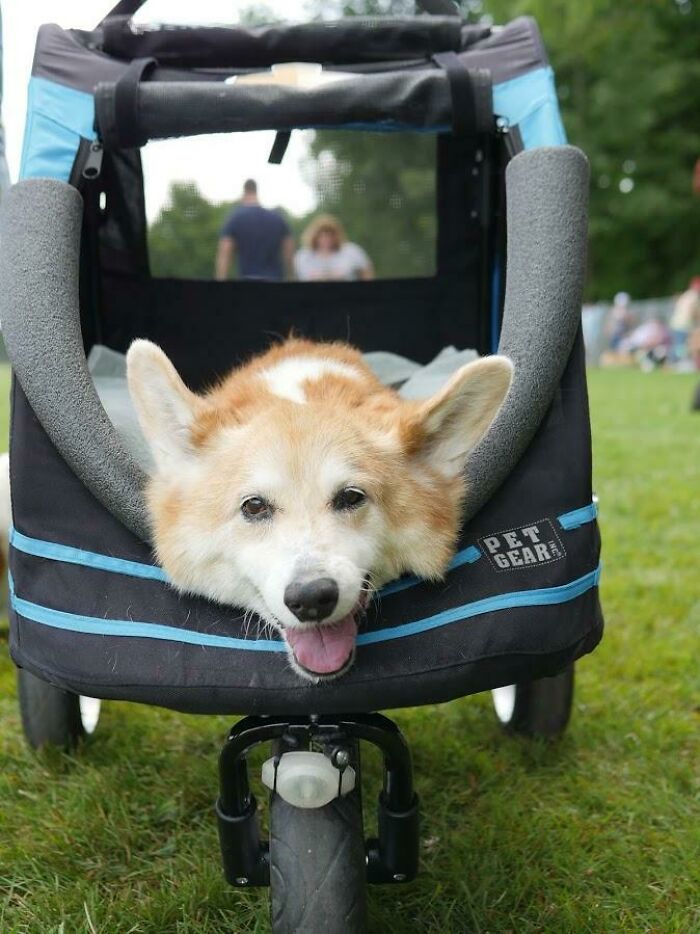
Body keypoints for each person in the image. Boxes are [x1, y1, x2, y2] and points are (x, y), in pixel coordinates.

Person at [215, 179, 294, 281]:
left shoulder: (234, 219)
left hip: (247, 285)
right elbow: (289, 253)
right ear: (256, 192)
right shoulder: (278, 218)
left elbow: (224, 254)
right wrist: (291, 277)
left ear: (244, 193)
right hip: (274, 283)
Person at [294, 214, 374, 282]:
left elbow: (366, 272)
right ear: (314, 237)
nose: (326, 239)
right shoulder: (303, 256)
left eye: (330, 235)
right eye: (322, 236)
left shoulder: (351, 251)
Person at [669, 277, 700, 362]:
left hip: (677, 323)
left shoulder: (687, 294)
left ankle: (673, 363)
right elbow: (692, 311)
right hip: (684, 324)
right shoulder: (694, 296)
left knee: (679, 345)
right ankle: (675, 363)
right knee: (681, 346)